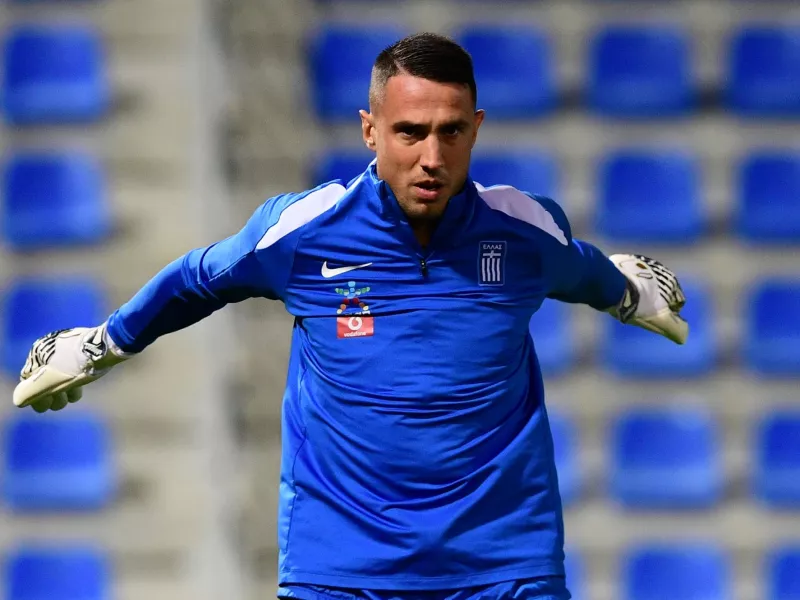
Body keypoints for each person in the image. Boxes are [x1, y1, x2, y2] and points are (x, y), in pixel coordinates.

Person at [13, 33, 688, 600]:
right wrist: (102, 344)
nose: (432, 157)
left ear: (476, 128)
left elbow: (589, 273)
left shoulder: (524, 231)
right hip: (342, 565)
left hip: (504, 563)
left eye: (451, 132)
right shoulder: (305, 231)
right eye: (410, 132)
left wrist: (630, 294)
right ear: (370, 130)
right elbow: (196, 279)